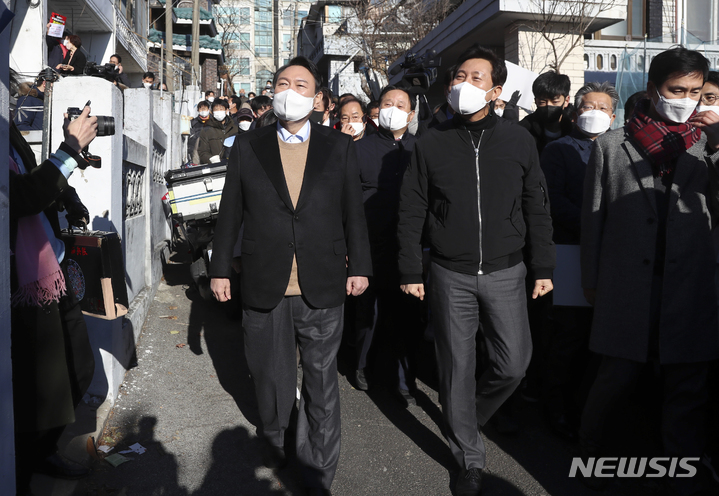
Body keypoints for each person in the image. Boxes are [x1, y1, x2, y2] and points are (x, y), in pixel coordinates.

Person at [209, 56, 372, 496]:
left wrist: (359, 265)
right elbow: (230, 212)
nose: (290, 91)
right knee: (270, 376)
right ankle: (276, 437)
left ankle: (318, 470)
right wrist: (220, 269)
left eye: (301, 84)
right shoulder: (248, 146)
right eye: (283, 82)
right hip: (266, 281)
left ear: (318, 97)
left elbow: (352, 213)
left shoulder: (338, 146)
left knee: (321, 382)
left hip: (322, 281)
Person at [397, 44, 555, 496]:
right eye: (457, 76)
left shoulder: (519, 140)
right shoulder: (431, 142)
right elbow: (411, 210)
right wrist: (411, 269)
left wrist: (543, 264)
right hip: (450, 272)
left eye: (475, 77)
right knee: (456, 367)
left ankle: (464, 416)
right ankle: (469, 455)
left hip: (508, 271)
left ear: (497, 90)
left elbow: (536, 207)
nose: (462, 84)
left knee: (513, 364)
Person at [579, 47, 719, 495]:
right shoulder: (610, 145)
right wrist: (592, 280)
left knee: (686, 386)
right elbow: (593, 220)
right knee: (615, 378)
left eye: (696, 91)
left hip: (691, 287)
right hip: (626, 285)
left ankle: (683, 472)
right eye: (677, 89)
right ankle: (591, 455)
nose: (687, 99)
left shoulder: (705, 147)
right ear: (654, 88)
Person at [9, 87, 98, 495]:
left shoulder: (6, 130)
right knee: (39, 389)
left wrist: (70, 158)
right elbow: (19, 198)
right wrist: (70, 147)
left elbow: (35, 181)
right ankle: (24, 468)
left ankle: (43, 450)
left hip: (51, 271)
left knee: (78, 369)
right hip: (24, 283)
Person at [539, 81, 617, 442]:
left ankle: (589, 406)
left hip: (612, 253)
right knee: (569, 333)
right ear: (574, 112)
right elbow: (552, 200)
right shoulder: (558, 151)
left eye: (602, 108)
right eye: (588, 106)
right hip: (571, 250)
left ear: (614, 116)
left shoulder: (621, 151)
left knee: (600, 336)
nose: (595, 113)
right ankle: (556, 406)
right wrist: (594, 224)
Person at [352, 85, 421, 406]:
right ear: (377, 110)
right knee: (368, 313)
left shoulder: (419, 150)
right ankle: (362, 366)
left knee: (406, 315)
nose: (392, 108)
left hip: (408, 246)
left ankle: (405, 378)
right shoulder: (359, 149)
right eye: (386, 103)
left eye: (400, 104)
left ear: (411, 114)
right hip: (368, 243)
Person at [519, 71, 573, 153]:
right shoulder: (523, 130)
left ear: (566, 101)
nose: (548, 106)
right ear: (536, 101)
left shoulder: (574, 132)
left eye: (555, 102)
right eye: (542, 102)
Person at [196, 99, 238, 164]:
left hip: (233, 166)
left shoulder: (234, 128)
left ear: (226, 110)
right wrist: (210, 158)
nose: (219, 111)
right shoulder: (206, 130)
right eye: (216, 109)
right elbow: (202, 152)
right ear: (212, 112)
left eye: (221, 109)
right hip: (215, 168)